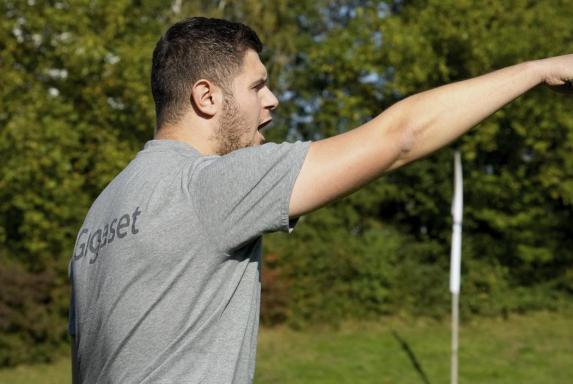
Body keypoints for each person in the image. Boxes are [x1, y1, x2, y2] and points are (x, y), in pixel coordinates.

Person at [68, 16, 573, 384]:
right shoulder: (207, 186)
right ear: (207, 97)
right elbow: (400, 137)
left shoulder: (99, 219)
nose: (273, 100)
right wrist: (539, 70)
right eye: (258, 86)